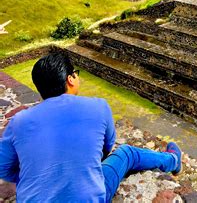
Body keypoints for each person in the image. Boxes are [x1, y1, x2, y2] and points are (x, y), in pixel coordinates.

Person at [0, 52, 182, 202]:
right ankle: (173, 160)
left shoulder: (19, 121)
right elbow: (107, 148)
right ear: (70, 79)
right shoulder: (98, 106)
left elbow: (4, 168)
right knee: (127, 153)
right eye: (75, 73)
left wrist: (38, 176)